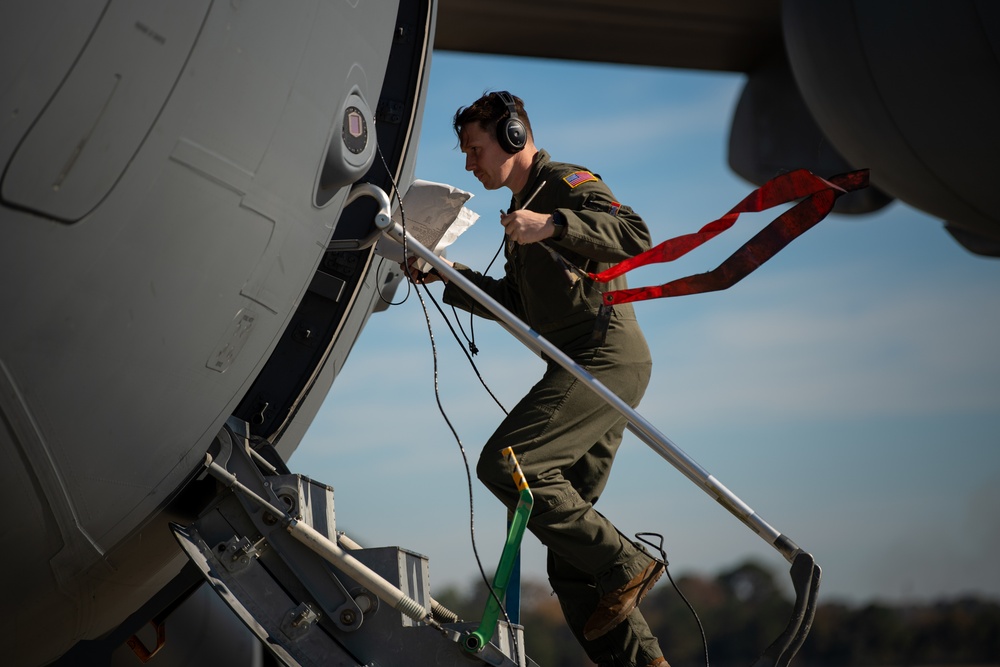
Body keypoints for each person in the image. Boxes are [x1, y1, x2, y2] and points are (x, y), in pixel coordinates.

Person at [406, 91, 668, 667]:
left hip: (604, 360)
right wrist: (445, 273)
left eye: (475, 149)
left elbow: (636, 235)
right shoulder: (518, 217)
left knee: (506, 462)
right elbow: (521, 307)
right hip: (578, 365)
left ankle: (627, 562)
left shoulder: (564, 185)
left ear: (515, 137)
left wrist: (552, 224)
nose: (469, 164)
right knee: (568, 563)